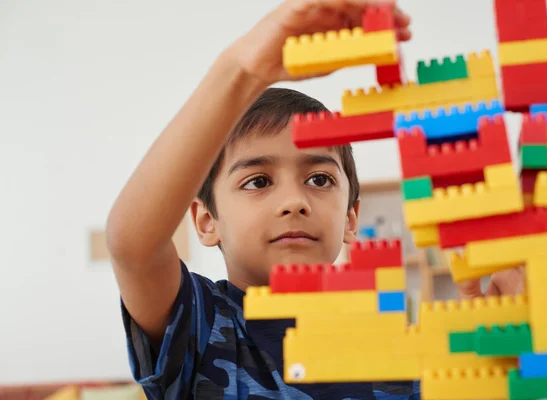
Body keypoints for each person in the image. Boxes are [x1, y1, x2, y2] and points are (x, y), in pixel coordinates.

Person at [106, 0, 522, 398]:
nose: (294, 201)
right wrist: (242, 70)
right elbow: (133, 248)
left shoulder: (400, 346)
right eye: (257, 181)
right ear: (205, 221)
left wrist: (497, 361)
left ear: (351, 219)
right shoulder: (203, 324)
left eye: (319, 179)